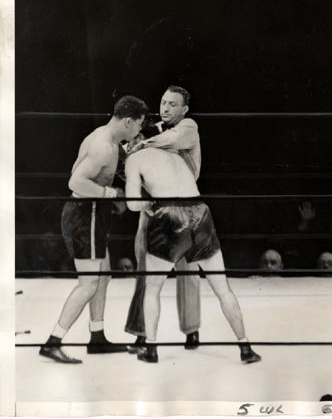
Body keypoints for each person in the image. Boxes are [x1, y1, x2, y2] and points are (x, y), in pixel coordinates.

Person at [124, 136, 261, 364]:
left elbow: (131, 204)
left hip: (168, 213)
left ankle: (151, 348)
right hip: (200, 210)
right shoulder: (176, 153)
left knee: (153, 288)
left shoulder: (134, 159)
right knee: (223, 288)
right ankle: (245, 347)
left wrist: (148, 205)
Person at [39, 95, 148, 364]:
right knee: (88, 284)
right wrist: (110, 193)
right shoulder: (104, 147)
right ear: (128, 121)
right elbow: (75, 181)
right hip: (85, 215)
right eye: (138, 125)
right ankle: (53, 341)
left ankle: (97, 337)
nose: (138, 131)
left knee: (104, 276)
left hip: (91, 215)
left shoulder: (107, 138)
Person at [125, 85, 202, 352]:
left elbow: (174, 140)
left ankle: (192, 330)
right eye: (163, 102)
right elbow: (129, 163)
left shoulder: (188, 127)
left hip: (185, 208)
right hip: (154, 208)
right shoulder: (152, 129)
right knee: (145, 270)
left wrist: (144, 139)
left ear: (184, 109)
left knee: (188, 271)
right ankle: (141, 332)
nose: (166, 108)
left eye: (172, 104)